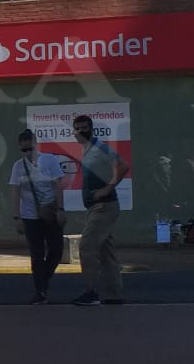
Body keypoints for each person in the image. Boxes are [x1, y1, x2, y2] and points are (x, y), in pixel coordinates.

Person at [71, 115, 130, 307]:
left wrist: (107, 188)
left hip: (104, 206)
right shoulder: (86, 150)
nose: (80, 131)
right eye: (77, 128)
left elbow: (123, 165)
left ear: (91, 129)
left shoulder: (100, 147)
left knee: (86, 246)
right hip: (96, 208)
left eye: (84, 127)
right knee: (106, 251)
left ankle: (90, 293)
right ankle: (114, 294)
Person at [9, 129, 66, 304]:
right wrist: (17, 218)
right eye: (24, 150)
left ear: (36, 145)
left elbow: (58, 185)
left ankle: (44, 279)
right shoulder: (18, 166)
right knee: (36, 253)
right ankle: (40, 290)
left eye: (30, 149)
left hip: (50, 212)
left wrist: (61, 209)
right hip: (30, 215)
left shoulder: (49, 160)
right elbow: (15, 192)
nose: (28, 153)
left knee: (56, 250)